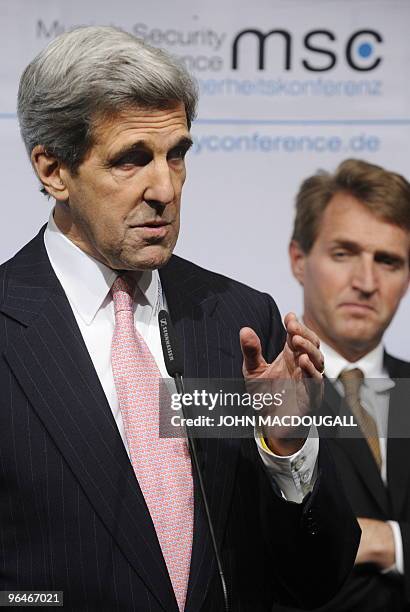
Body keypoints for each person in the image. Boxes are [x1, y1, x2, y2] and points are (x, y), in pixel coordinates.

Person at [0, 26, 359, 612]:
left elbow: (312, 581)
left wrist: (287, 445)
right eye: (131, 160)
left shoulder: (243, 320)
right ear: (53, 170)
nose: (165, 188)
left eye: (177, 154)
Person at [288, 158, 410, 612]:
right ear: (299, 260)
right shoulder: (247, 391)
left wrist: (385, 540)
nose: (365, 282)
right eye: (344, 254)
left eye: (388, 261)